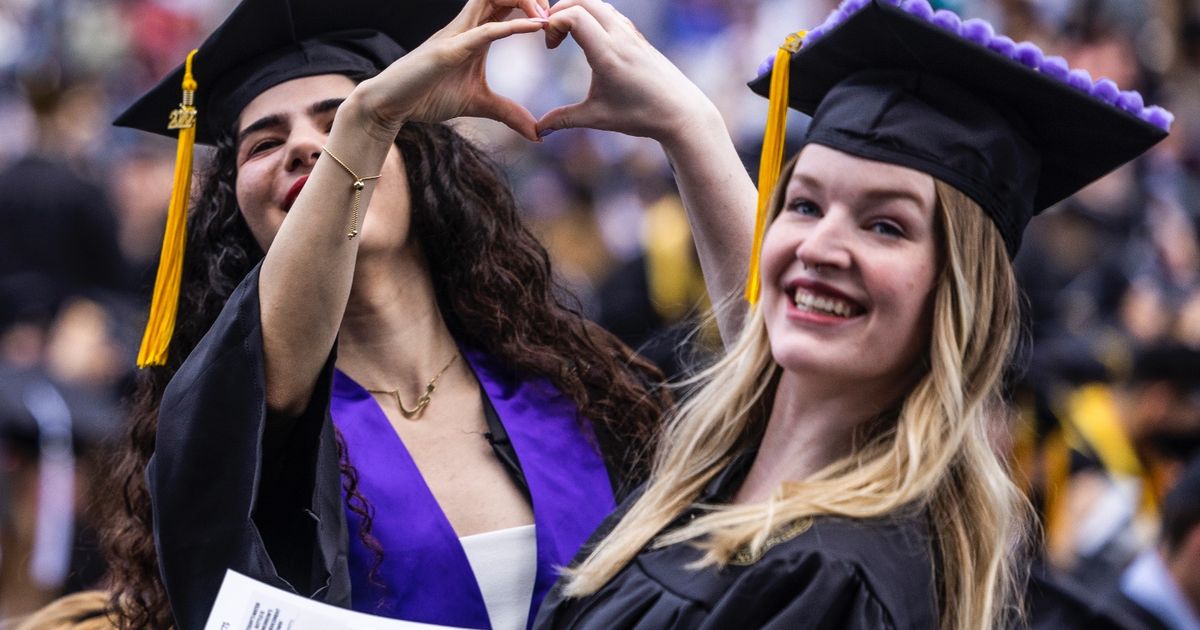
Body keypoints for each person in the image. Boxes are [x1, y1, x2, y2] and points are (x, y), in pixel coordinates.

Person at [101, 0, 754, 628]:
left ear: (422, 160)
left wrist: (689, 125)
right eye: (264, 144)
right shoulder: (243, 435)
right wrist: (367, 121)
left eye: (338, 122)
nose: (306, 147)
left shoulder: (580, 391)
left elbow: (777, 386)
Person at [532, 0, 1171, 628]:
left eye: (885, 225)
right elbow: (755, 344)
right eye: (805, 205)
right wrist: (688, 124)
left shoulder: (836, 581)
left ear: (959, 292)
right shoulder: (721, 474)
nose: (818, 246)